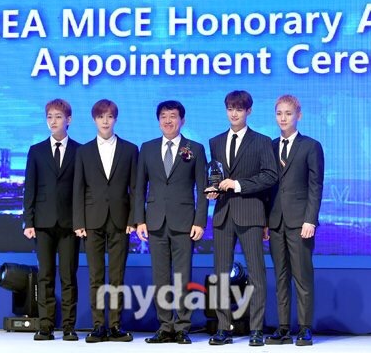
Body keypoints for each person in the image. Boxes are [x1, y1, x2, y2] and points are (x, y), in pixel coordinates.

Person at [206, 90, 278, 347]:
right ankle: (223, 328)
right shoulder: (215, 141)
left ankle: (256, 329)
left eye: (239, 109)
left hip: (250, 213)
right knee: (220, 274)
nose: (234, 113)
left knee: (256, 273)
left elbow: (270, 176)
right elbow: (215, 175)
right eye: (230, 109)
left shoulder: (261, 141)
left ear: (249, 111)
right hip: (223, 213)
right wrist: (213, 190)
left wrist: (237, 185)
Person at [135, 100, 208, 344]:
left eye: (173, 116)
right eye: (164, 116)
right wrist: (139, 220)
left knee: (182, 277)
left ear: (182, 120)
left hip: (185, 223)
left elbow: (202, 189)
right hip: (155, 222)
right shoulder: (147, 148)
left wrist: (200, 221)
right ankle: (165, 326)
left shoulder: (194, 149)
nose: (168, 120)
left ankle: (182, 327)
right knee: (160, 277)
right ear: (158, 121)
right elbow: (139, 188)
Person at [73, 99, 138, 343]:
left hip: (121, 220)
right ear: (94, 120)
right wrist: (79, 221)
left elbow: (135, 188)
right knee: (96, 276)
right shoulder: (83, 151)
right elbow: (78, 189)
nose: (105, 121)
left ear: (115, 119)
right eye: (101, 117)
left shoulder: (130, 149)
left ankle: (115, 326)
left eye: (109, 116)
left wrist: (133, 219)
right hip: (92, 220)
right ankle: (99, 326)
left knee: (117, 276)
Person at [265, 94, 324, 347]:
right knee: (280, 277)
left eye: (288, 113)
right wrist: (265, 222)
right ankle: (283, 327)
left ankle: (305, 328)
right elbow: (266, 187)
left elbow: (315, 186)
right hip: (275, 221)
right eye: (279, 113)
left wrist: (311, 219)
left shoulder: (310, 146)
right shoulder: (269, 147)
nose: (283, 118)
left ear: (298, 115)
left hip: (301, 222)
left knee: (302, 276)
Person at [23, 98, 81, 341]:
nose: (53, 121)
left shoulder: (80, 150)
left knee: (68, 276)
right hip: (43, 222)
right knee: (45, 275)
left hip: (70, 224)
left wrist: (81, 222)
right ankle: (45, 326)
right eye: (50, 117)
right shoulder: (36, 151)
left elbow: (82, 189)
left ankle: (68, 327)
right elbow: (30, 188)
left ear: (69, 120)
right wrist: (28, 221)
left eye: (58, 116)